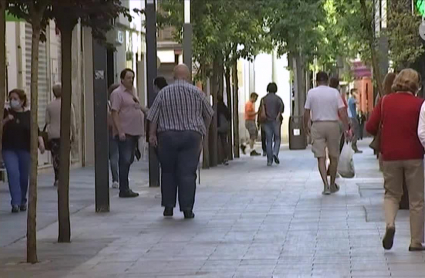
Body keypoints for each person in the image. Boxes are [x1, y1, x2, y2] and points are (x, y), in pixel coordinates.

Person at [368, 69, 425, 251]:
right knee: (417, 199)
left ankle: (390, 224)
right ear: (416, 85)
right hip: (414, 155)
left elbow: (370, 127)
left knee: (391, 194)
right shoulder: (420, 104)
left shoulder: (385, 102)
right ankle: (416, 241)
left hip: (390, 155)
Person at [147, 64, 214, 219]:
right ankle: (187, 208)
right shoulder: (197, 93)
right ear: (189, 76)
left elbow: (153, 116)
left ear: (173, 75)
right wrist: (202, 130)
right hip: (191, 136)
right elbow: (209, 113)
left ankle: (169, 206)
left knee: (168, 171)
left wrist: (152, 135)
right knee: (188, 173)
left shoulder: (163, 93)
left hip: (167, 136)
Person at [304, 72, 350, 195]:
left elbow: (306, 112)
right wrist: (347, 127)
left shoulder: (311, 93)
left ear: (316, 81)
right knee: (334, 156)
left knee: (321, 157)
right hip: (332, 125)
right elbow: (342, 111)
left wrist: (306, 126)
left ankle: (325, 185)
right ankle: (332, 183)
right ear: (327, 80)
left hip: (317, 125)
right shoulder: (334, 93)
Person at [3, 89, 45, 213]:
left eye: (15, 99)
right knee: (13, 173)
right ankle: (15, 202)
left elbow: (35, 130)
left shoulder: (28, 115)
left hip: (25, 149)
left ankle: (22, 200)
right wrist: (6, 120)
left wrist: (40, 143)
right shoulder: (5, 113)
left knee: (23, 177)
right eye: (10, 99)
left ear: (22, 101)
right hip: (9, 149)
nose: (12, 101)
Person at [110, 68, 148, 198]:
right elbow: (114, 112)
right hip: (125, 132)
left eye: (132, 77)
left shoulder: (133, 92)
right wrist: (120, 131)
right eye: (128, 78)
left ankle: (125, 186)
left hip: (134, 132)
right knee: (125, 160)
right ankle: (124, 189)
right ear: (122, 79)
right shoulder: (117, 93)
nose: (131, 80)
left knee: (129, 159)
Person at [45, 84, 76, 187]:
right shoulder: (68, 104)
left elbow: (47, 121)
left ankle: (57, 177)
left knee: (55, 157)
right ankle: (64, 177)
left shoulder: (49, 105)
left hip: (53, 134)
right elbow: (72, 122)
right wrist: (74, 135)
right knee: (65, 156)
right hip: (65, 134)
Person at [260, 82, 284, 166]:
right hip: (276, 121)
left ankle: (269, 160)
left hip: (266, 122)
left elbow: (261, 111)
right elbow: (281, 109)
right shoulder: (278, 99)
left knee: (268, 140)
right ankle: (275, 152)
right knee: (277, 139)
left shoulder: (263, 99)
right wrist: (278, 116)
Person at [107, 83, 120, 189]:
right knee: (115, 155)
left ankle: (117, 178)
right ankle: (116, 178)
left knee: (115, 155)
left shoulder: (108, 104)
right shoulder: (114, 104)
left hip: (112, 130)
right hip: (114, 131)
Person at [217, 95, 231, 165]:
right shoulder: (225, 108)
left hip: (218, 127)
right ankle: (225, 157)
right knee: (224, 141)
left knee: (216, 141)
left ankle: (218, 158)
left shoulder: (216, 107)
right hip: (225, 127)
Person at [348, 89, 362, 153]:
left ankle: (354, 146)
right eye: (355, 92)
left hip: (353, 117)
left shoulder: (351, 99)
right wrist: (356, 96)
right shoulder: (351, 99)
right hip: (353, 117)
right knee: (355, 132)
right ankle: (353, 146)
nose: (356, 93)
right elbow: (357, 102)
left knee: (355, 132)